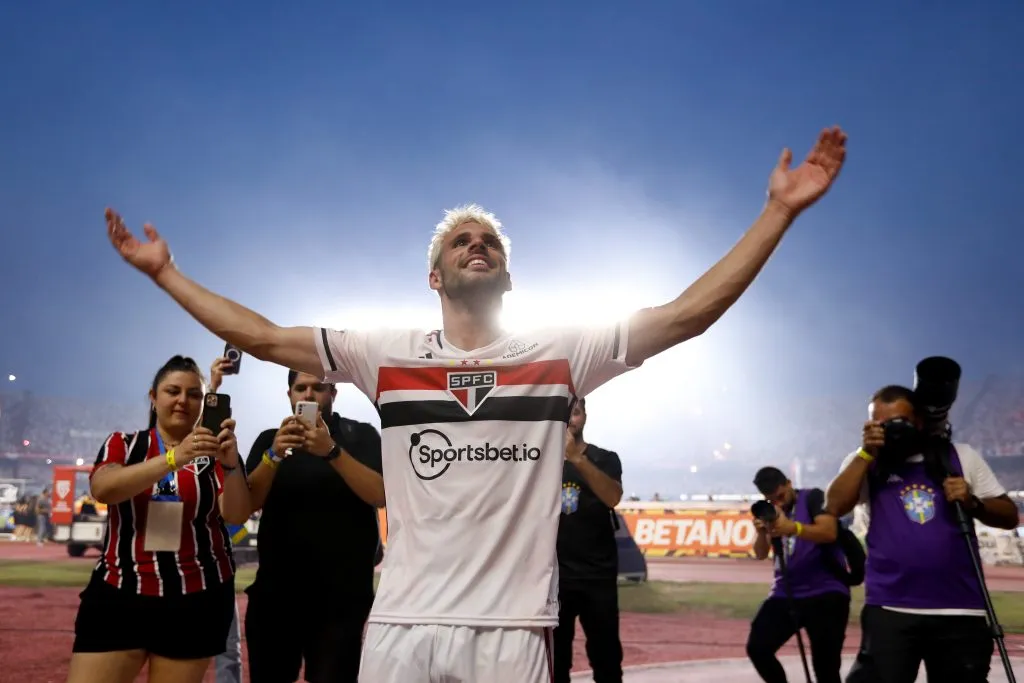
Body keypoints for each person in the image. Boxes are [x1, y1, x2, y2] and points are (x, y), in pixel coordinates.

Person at [104, 125, 847, 682]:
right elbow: (264, 337)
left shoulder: (562, 351)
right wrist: (167, 274)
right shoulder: (385, 353)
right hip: (400, 620)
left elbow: (687, 315)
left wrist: (777, 213)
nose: (475, 243)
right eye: (459, 240)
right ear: (435, 276)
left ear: (509, 277)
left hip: (513, 625)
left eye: (488, 239)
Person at [66, 355, 253, 683]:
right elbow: (103, 489)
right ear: (153, 397)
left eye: (194, 394)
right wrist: (173, 458)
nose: (183, 400)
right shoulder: (124, 444)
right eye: (173, 391)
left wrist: (231, 465)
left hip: (196, 596)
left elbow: (236, 514)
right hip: (121, 591)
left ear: (204, 402)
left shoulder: (217, 452)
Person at [826, 385, 1020, 683]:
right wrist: (866, 453)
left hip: (960, 608)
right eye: (882, 423)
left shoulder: (960, 456)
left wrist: (973, 502)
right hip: (890, 606)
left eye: (900, 421)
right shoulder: (865, 461)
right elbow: (834, 506)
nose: (893, 430)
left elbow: (1009, 516)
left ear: (919, 420)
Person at [243, 369, 384, 683]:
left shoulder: (360, 435)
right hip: (277, 596)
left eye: (318, 387)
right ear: (289, 395)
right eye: (300, 388)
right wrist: (272, 455)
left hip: (342, 599)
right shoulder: (270, 440)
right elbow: (246, 504)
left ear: (333, 393)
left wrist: (331, 451)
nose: (308, 395)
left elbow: (379, 495)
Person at [746, 466, 849, 683]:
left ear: (789, 484)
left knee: (825, 668)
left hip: (826, 591)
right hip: (785, 591)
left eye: (781, 496)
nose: (778, 503)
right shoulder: (771, 511)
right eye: (771, 500)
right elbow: (760, 553)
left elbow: (829, 532)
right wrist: (762, 532)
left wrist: (793, 528)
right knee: (758, 647)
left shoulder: (813, 498)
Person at [553, 397, 625, 683]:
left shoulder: (605, 458)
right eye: (565, 414)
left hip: (598, 576)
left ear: (585, 416)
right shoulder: (540, 462)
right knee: (555, 663)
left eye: (576, 412)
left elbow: (613, 498)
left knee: (607, 660)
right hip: (555, 578)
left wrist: (576, 459)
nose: (571, 420)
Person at [208, 355, 245, 683]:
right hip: (173, 566)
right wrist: (212, 387)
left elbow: (236, 512)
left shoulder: (227, 456)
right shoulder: (167, 453)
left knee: (228, 651)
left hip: (216, 566)